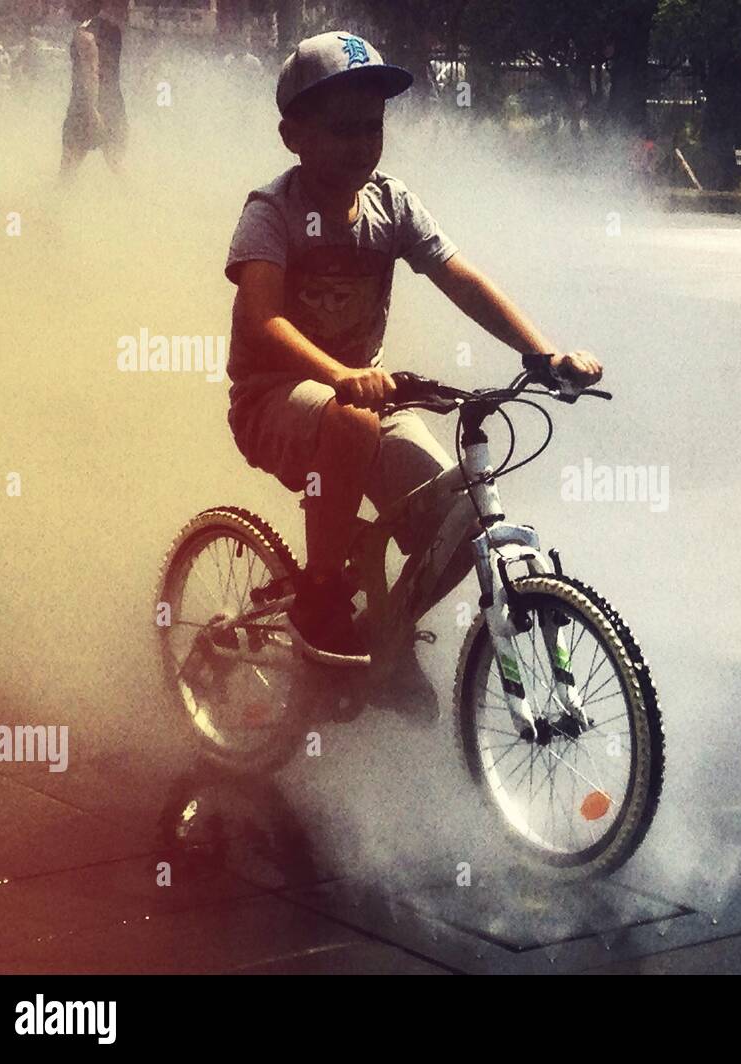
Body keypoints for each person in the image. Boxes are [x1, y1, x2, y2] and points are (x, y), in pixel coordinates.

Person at [225, 31, 602, 668]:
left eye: (372, 128)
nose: (361, 146)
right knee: (349, 420)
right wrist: (342, 375)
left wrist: (542, 355)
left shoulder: (391, 205)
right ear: (292, 136)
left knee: (457, 526)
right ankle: (320, 597)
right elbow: (262, 321)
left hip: (365, 398)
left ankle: (384, 635)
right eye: (342, 130)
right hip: (274, 399)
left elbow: (461, 277)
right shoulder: (272, 212)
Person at [60, 0, 128, 177]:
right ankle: (148, 202)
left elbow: (91, 73)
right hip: (114, 106)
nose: (69, 4)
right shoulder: (113, 29)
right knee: (119, 169)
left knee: (66, 174)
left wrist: (92, 110)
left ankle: (56, 204)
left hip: (84, 109)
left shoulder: (84, 34)